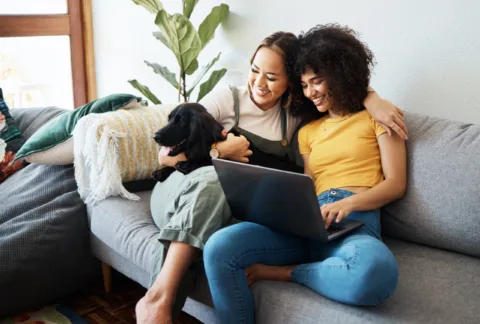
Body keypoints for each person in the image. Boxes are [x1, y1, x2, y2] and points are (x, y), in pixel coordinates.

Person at [136, 30, 408, 324]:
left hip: (353, 224)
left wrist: (349, 203)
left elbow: (395, 184)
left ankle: (290, 272)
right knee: (219, 247)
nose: (310, 92)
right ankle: (159, 300)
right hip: (307, 221)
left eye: (316, 81)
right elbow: (308, 181)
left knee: (374, 272)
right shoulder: (306, 130)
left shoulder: (378, 119)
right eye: (304, 84)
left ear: (342, 74)